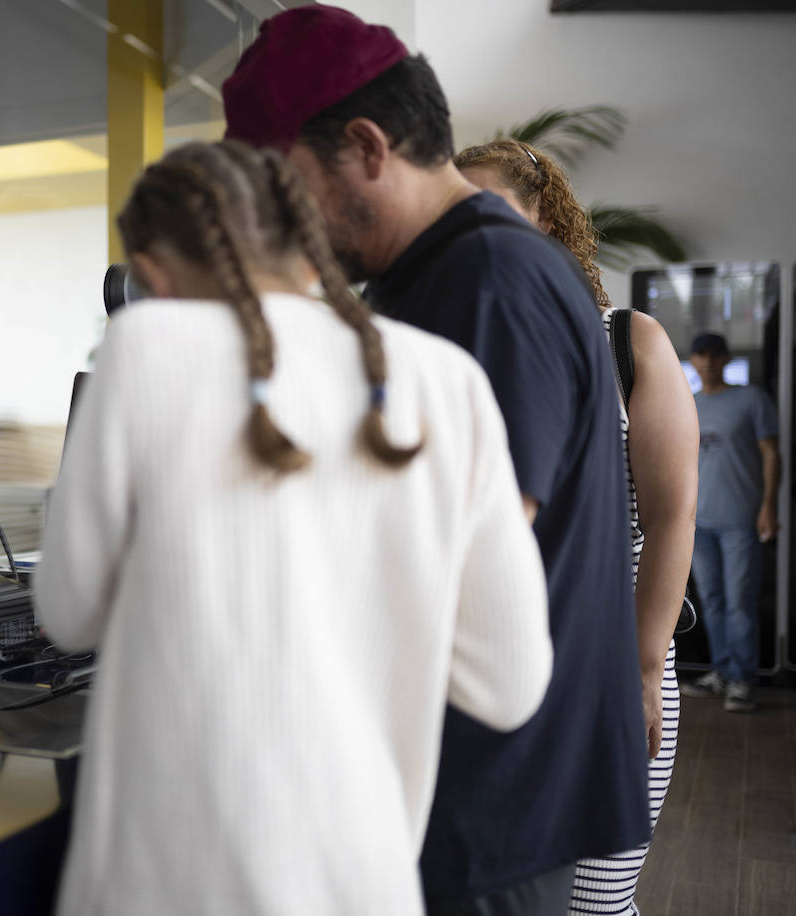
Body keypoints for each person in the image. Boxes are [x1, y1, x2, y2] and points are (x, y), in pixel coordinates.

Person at [35, 140, 553, 914]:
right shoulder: (449, 379)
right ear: (310, 246)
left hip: (165, 882)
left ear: (151, 272)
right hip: (364, 876)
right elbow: (509, 686)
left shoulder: (145, 347)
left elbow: (68, 613)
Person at [221, 7, 648, 913]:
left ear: (368, 146)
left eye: (283, 185)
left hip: (482, 792)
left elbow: (455, 553)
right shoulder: (434, 277)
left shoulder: (486, 280)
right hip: (464, 781)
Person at [457, 138, 700, 916]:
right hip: (489, 667)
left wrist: (641, 668)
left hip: (609, 653)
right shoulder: (455, 347)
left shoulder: (629, 341)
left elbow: (670, 515)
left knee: (594, 901)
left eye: (489, 210)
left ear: (549, 222)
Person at [680, 332, 780, 713]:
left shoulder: (750, 399)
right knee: (712, 600)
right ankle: (722, 671)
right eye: (699, 355)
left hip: (740, 518)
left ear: (725, 359)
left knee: (740, 601)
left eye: (713, 355)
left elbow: (771, 454)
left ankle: (742, 679)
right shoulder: (689, 403)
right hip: (698, 521)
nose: (706, 362)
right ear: (693, 361)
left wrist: (769, 505)